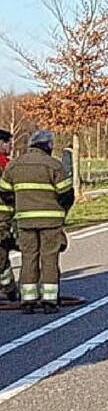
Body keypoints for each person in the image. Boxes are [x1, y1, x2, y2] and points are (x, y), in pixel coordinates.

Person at [0, 130, 75, 313]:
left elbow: (4, 192)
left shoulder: (14, 166)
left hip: (25, 222)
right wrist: (60, 211)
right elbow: (67, 195)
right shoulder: (54, 166)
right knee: (49, 258)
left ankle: (28, 300)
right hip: (51, 222)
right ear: (48, 146)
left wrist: (19, 206)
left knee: (29, 258)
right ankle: (49, 301)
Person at [0, 128, 17, 301]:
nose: (9, 147)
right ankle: (9, 289)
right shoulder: (5, 164)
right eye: (7, 143)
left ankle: (9, 287)